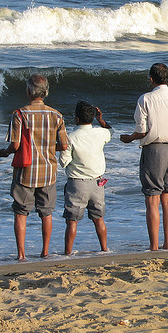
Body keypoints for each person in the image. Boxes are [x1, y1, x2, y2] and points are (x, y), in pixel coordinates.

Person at [0, 74, 69, 260]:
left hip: (25, 171)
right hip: (47, 171)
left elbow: (15, 145)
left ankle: (21, 255)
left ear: (29, 91)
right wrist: (48, 148)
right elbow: (64, 145)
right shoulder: (56, 115)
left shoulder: (19, 114)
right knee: (46, 213)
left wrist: (5, 152)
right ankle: (45, 251)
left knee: (21, 213)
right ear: (46, 92)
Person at [120, 63, 168, 251]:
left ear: (151, 79)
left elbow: (142, 131)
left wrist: (129, 138)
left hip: (154, 150)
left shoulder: (146, 99)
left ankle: (154, 246)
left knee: (152, 199)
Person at [58, 101, 113, 255]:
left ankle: (68, 253)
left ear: (77, 118)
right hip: (97, 183)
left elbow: (64, 162)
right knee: (98, 219)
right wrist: (101, 120)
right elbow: (111, 131)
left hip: (77, 183)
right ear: (93, 117)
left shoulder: (71, 137)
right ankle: (104, 249)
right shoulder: (100, 133)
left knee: (72, 221)